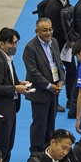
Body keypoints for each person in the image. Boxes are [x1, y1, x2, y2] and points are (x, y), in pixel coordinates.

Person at [0, 28, 27, 162]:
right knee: (2, 148)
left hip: (9, 108)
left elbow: (8, 79)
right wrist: (15, 88)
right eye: (11, 43)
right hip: (1, 110)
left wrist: (19, 83)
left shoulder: (7, 59)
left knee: (8, 146)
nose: (14, 46)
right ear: (1, 44)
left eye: (16, 43)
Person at [23, 18, 65, 154]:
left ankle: (48, 148)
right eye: (45, 30)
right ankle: (35, 151)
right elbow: (33, 72)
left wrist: (61, 80)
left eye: (50, 29)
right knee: (39, 123)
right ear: (37, 32)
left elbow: (59, 64)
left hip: (54, 90)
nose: (48, 32)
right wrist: (49, 86)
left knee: (51, 122)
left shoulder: (55, 42)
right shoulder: (30, 48)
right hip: (40, 91)